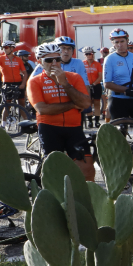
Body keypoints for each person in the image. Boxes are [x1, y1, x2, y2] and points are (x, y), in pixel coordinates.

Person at [27, 43, 93, 180]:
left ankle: (85, 194)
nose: (54, 63)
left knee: (87, 169)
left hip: (74, 128)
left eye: (57, 59)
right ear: (39, 61)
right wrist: (73, 104)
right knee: (55, 172)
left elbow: (86, 103)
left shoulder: (74, 77)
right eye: (49, 60)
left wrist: (65, 84)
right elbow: (42, 109)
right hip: (49, 128)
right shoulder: (34, 82)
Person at [102, 29, 133, 125]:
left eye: (122, 41)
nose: (120, 45)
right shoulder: (109, 59)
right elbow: (107, 83)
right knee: (121, 131)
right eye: (116, 42)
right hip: (117, 100)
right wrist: (126, 90)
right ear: (112, 43)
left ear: (127, 41)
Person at [82, 47, 103, 119]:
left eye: (90, 54)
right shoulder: (82, 63)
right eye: (86, 54)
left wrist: (94, 83)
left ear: (93, 54)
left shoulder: (97, 64)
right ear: (84, 55)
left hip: (96, 85)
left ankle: (97, 120)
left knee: (97, 103)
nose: (88, 55)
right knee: (89, 103)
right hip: (86, 86)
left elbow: (100, 76)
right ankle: (90, 120)